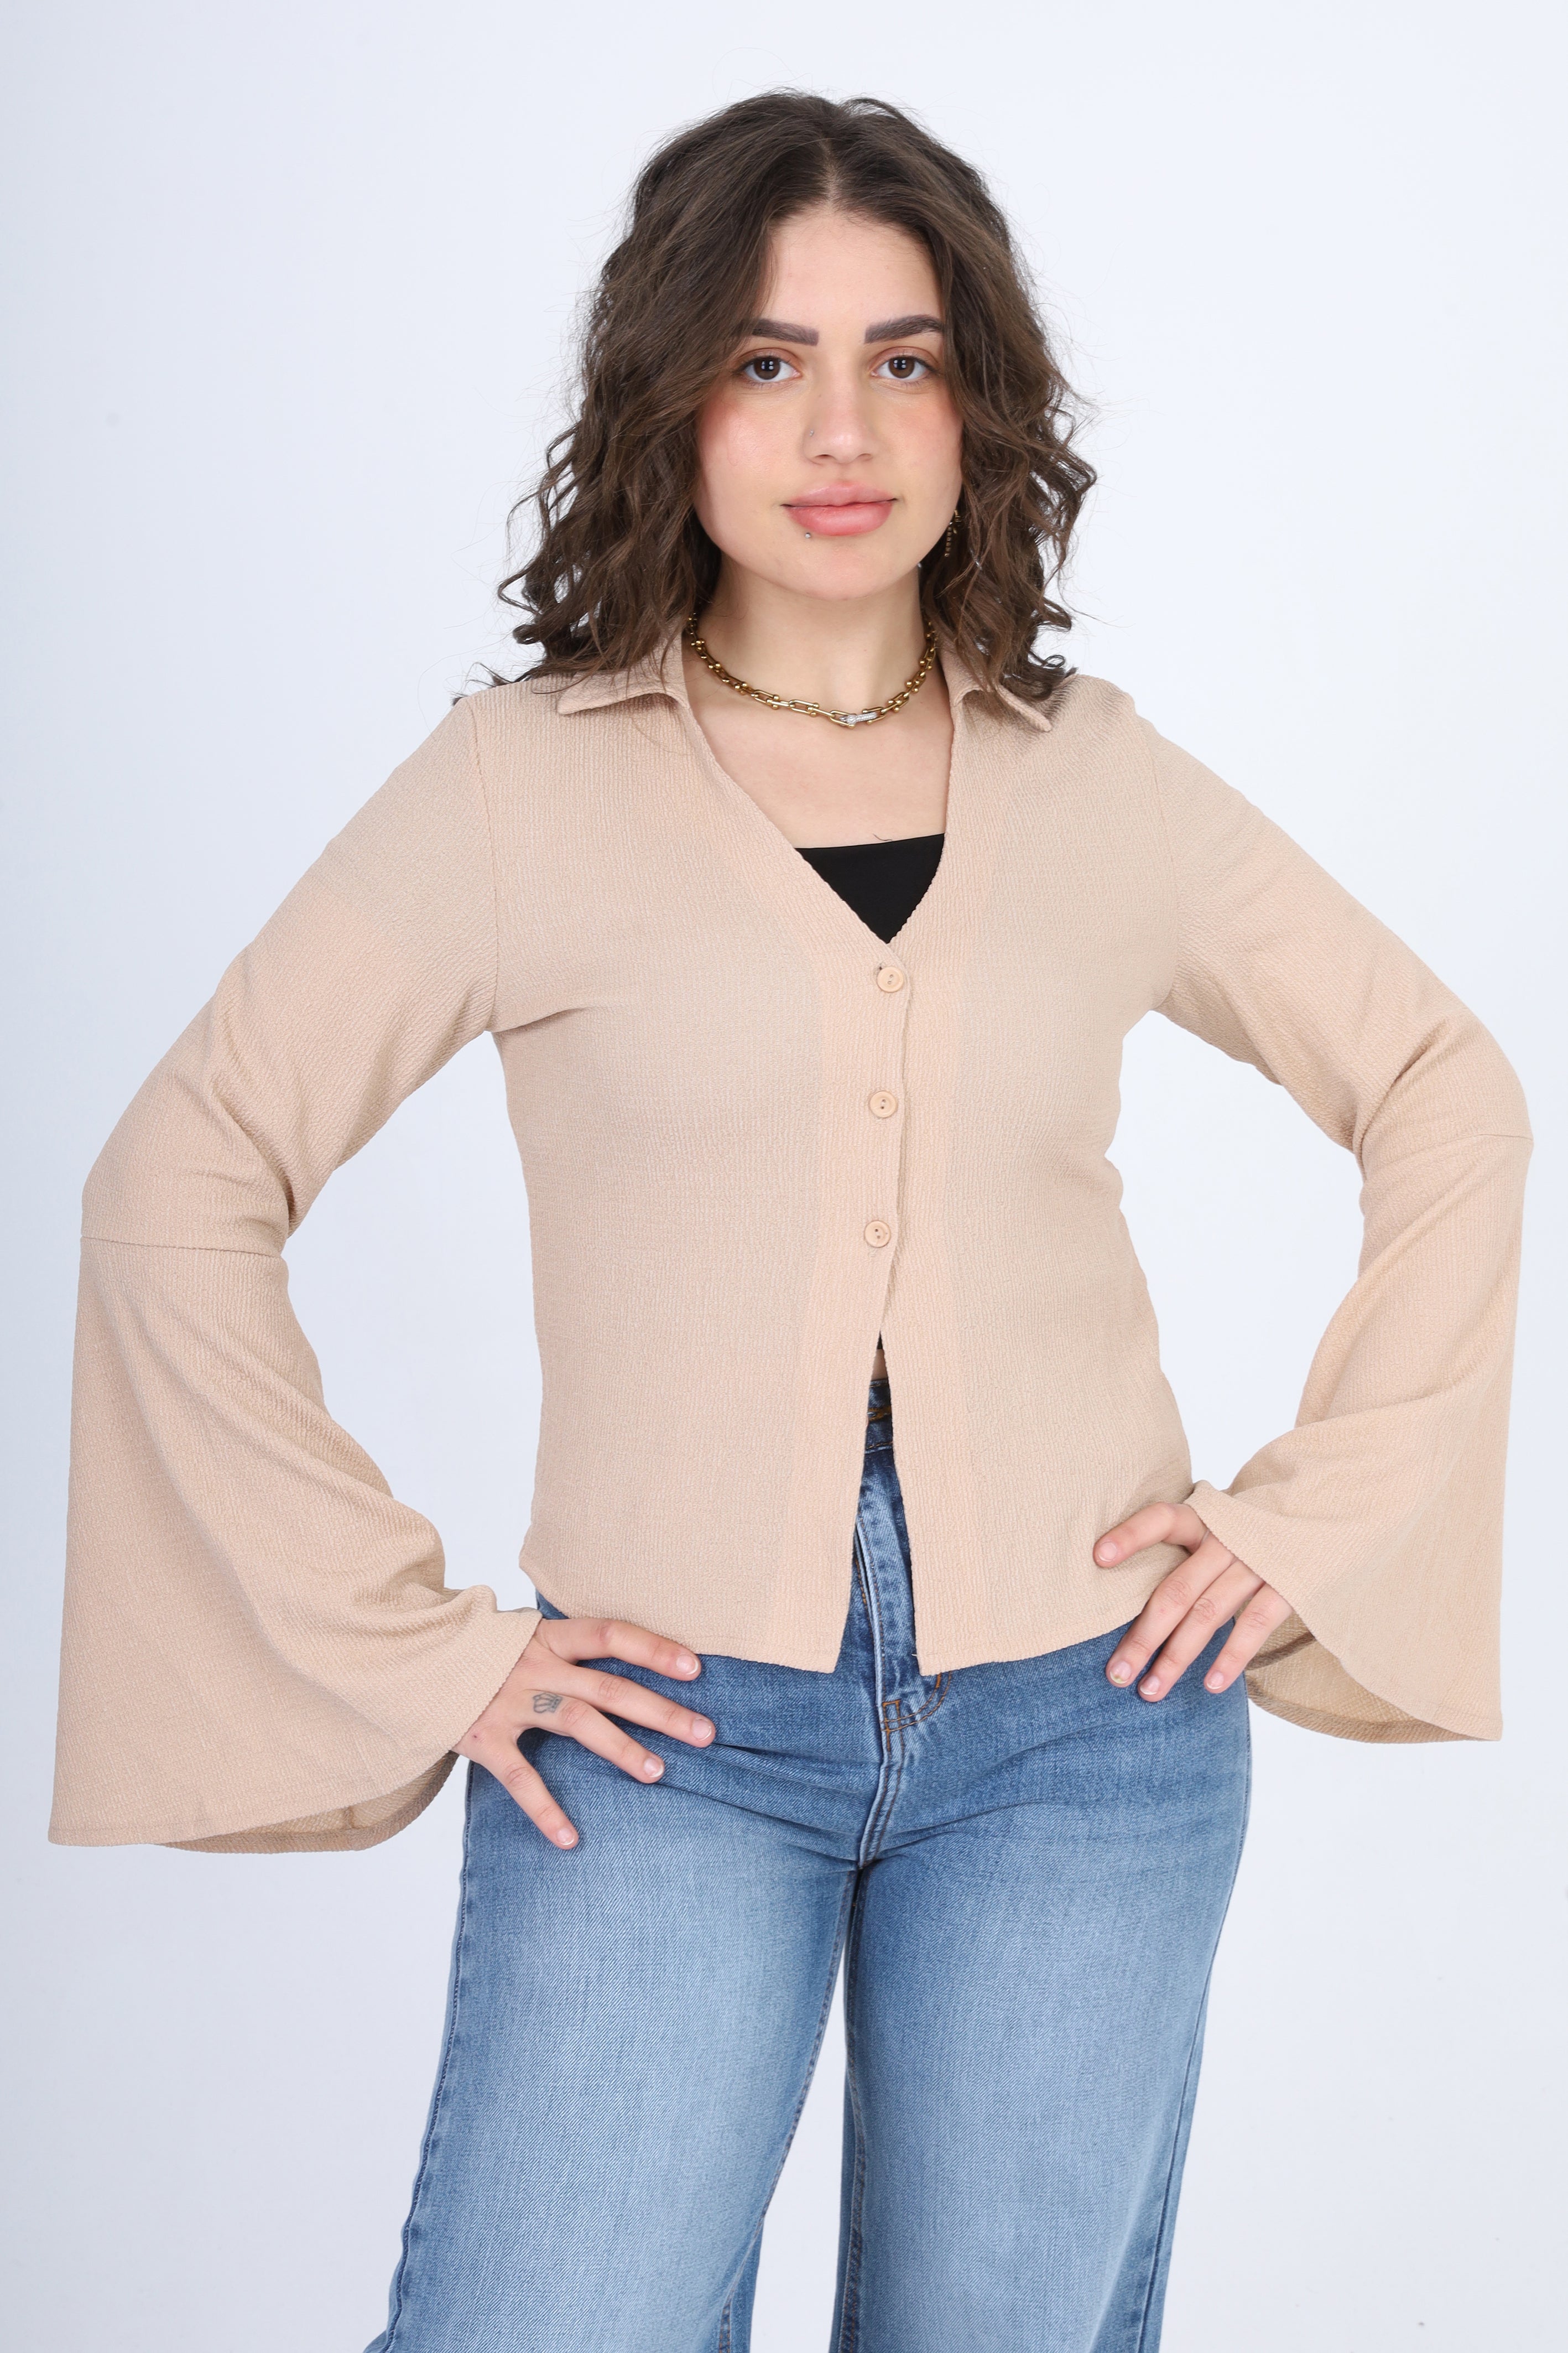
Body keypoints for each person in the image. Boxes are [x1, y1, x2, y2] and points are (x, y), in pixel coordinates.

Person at [49, 90, 1531, 2353]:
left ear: (975, 408)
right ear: (674, 397)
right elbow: (178, 1179)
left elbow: (1447, 1088)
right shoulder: (518, 787)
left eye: (901, 360)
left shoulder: (1096, 774)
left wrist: (1311, 1518)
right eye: (766, 360)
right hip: (662, 1733)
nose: (841, 428)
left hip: (1092, 1718)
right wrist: (421, 1642)